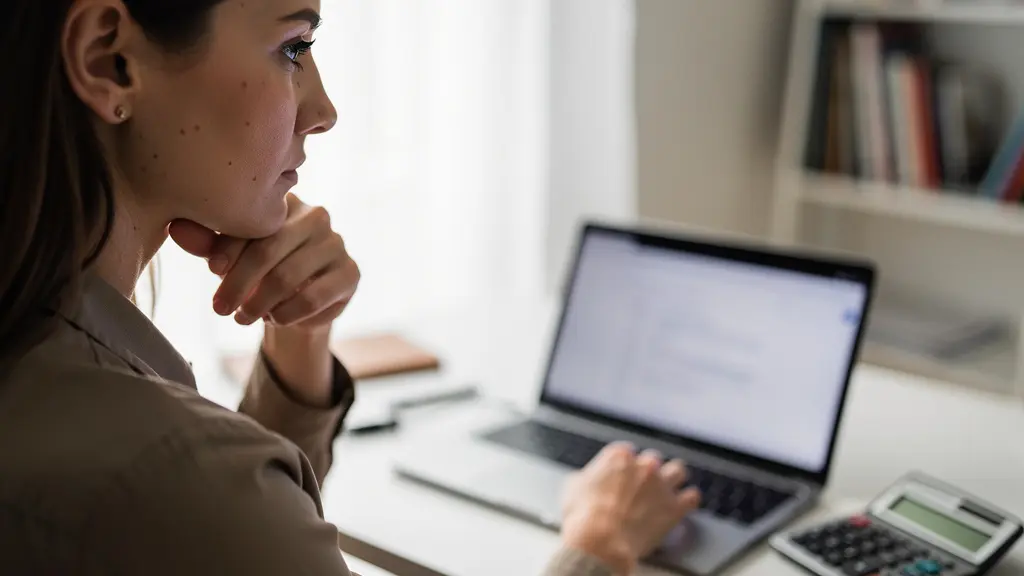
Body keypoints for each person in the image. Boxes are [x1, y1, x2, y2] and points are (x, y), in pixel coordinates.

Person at [0, 1, 702, 574]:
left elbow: (237, 527)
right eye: (293, 47)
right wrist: (599, 544)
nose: (325, 107)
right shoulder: (171, 477)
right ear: (108, 61)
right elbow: (210, 504)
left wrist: (298, 333)